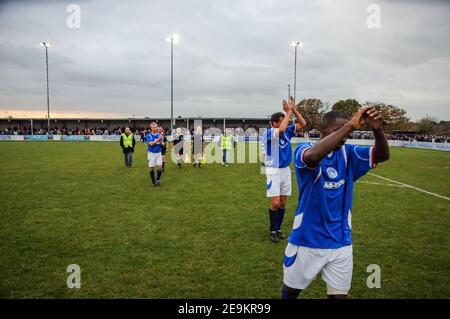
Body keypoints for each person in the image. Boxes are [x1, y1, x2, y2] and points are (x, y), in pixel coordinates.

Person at [281, 106, 390, 299]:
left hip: (341, 243)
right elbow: (312, 157)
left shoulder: (349, 153)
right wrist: (349, 125)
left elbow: (382, 155)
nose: (344, 136)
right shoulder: (304, 149)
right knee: (291, 293)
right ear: (324, 130)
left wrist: (378, 129)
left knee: (339, 297)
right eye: (338, 130)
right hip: (307, 241)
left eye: (347, 131)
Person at [263, 97, 306, 243]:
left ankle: (278, 228)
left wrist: (293, 110)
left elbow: (303, 124)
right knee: (275, 203)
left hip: (285, 171)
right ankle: (272, 229)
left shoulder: (287, 131)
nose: (284, 123)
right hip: (273, 171)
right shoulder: (269, 133)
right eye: (280, 121)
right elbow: (281, 129)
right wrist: (288, 112)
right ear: (273, 123)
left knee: (282, 202)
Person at [146, 122, 164, 187]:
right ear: (151, 128)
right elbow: (151, 143)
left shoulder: (159, 135)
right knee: (151, 168)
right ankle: (153, 182)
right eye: (154, 127)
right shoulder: (148, 135)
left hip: (158, 153)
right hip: (151, 153)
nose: (155, 128)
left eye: (156, 127)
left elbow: (163, 144)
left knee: (160, 168)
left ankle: (158, 180)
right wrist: (158, 139)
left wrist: (161, 141)